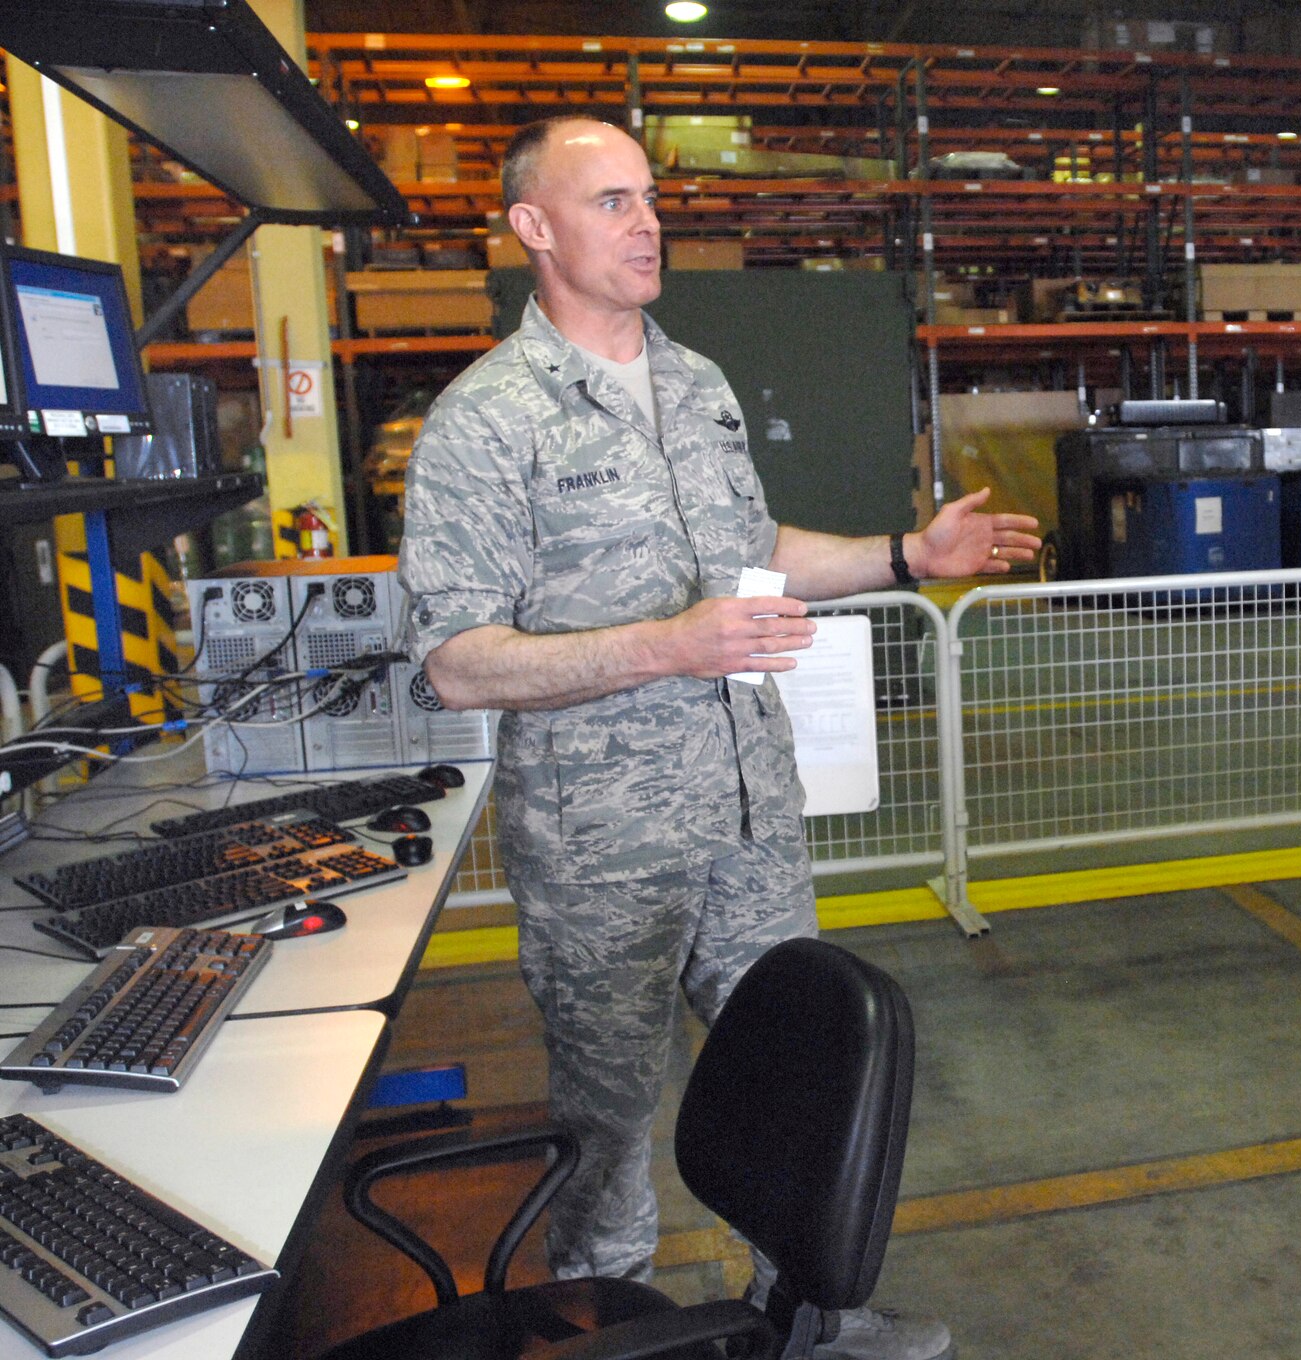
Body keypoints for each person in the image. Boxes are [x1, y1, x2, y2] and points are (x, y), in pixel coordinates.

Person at [397, 115, 1037, 1360]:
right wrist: (666, 645)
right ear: (534, 227)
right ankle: (600, 1328)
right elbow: (456, 659)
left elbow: (757, 554)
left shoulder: (692, 381)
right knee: (607, 1122)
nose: (646, 224)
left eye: (648, 198)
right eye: (610, 201)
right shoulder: (484, 422)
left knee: (797, 1091)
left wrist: (907, 555)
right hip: (601, 847)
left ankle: (812, 1318)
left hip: (749, 818)